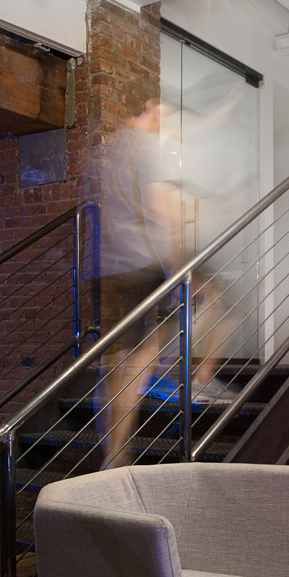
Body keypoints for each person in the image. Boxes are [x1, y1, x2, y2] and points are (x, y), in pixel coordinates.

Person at [83, 97, 180, 468]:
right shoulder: (149, 148)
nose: (165, 125)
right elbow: (158, 207)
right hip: (140, 262)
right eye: (165, 116)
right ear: (150, 106)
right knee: (141, 357)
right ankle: (117, 453)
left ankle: (110, 446)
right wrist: (174, 262)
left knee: (114, 363)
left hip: (105, 265)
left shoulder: (104, 150)